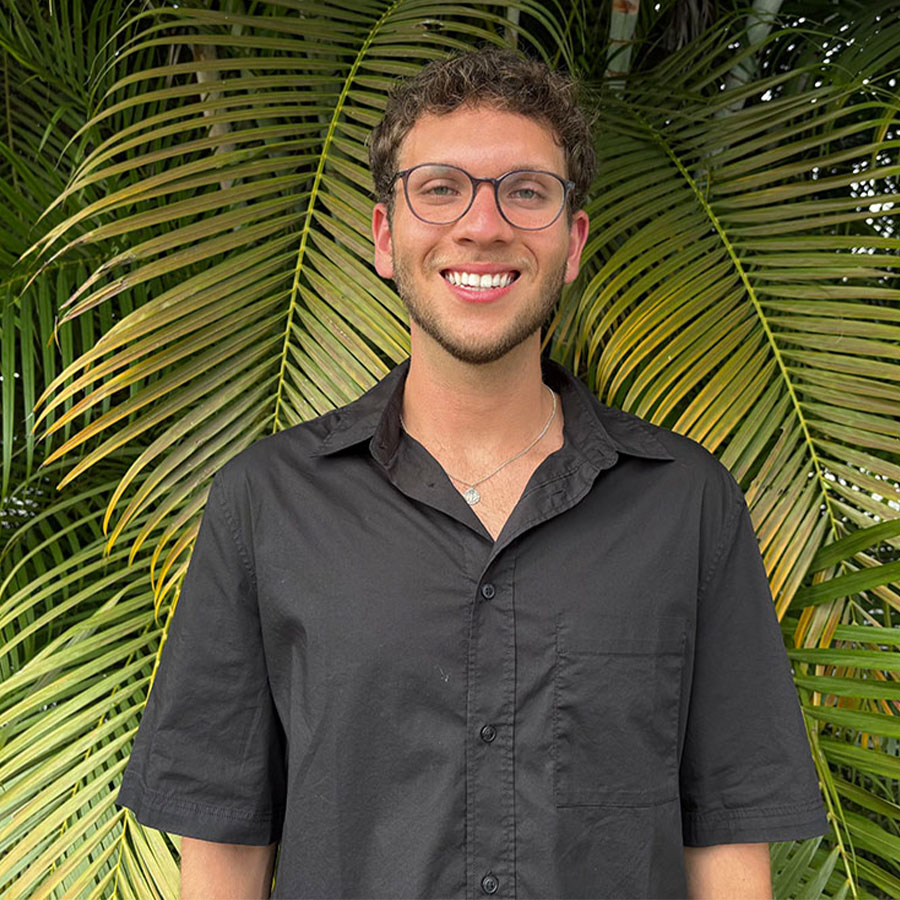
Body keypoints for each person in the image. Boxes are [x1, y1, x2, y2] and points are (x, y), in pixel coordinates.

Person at [116, 48, 829, 899]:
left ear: (572, 242)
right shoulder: (266, 504)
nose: (483, 225)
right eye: (441, 188)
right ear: (386, 237)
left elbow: (729, 836)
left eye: (526, 191)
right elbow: (224, 842)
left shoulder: (688, 504)